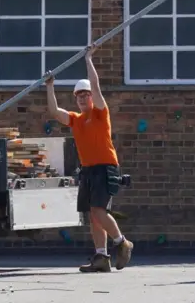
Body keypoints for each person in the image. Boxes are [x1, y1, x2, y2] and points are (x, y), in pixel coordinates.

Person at [44, 45, 134, 273]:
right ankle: (101, 257)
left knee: (99, 211)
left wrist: (88, 59)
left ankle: (122, 242)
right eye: (79, 96)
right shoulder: (75, 119)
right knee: (93, 215)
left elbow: (95, 85)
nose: (83, 98)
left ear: (92, 97)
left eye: (86, 95)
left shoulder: (100, 113)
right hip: (89, 170)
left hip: (105, 167)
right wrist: (50, 86)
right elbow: (55, 112)